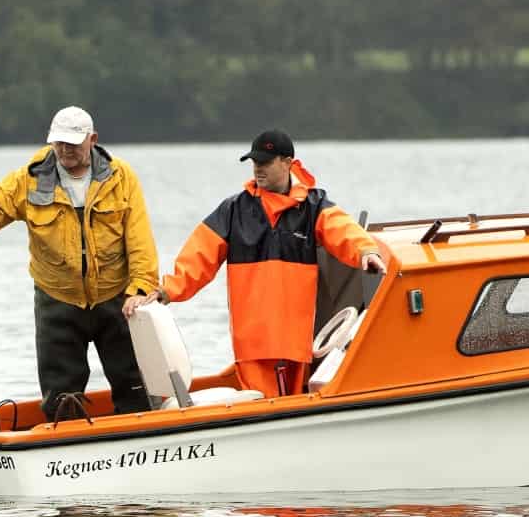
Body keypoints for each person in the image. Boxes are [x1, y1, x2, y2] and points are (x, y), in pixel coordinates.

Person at [0, 106, 161, 418]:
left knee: (134, 384)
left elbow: (140, 241)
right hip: (57, 300)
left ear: (92, 139)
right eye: (59, 142)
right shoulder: (30, 178)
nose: (65, 150)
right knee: (61, 396)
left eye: (73, 142)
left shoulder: (122, 177)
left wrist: (140, 289)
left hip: (117, 297)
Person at [124, 129, 383, 397]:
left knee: (287, 405)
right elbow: (198, 256)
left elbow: (344, 231)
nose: (258, 169)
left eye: (265, 162)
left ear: (287, 162)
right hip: (253, 341)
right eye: (255, 163)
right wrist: (166, 291)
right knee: (265, 403)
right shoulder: (233, 210)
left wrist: (366, 252)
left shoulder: (314, 207)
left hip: (294, 340)